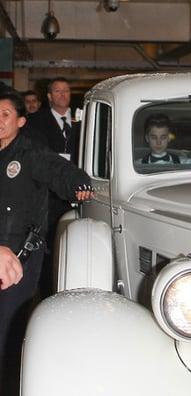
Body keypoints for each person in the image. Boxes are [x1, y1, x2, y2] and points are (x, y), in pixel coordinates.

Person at [0, 90, 93, 394]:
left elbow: (59, 170)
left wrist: (77, 182)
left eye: (5, 115)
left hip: (22, 257)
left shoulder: (30, 154)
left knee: (8, 329)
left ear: (21, 120)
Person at [26, 77, 82, 299]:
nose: (63, 95)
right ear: (49, 96)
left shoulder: (82, 120)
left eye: (66, 91)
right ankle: (47, 290)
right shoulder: (37, 121)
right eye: (57, 92)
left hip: (77, 190)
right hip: (50, 193)